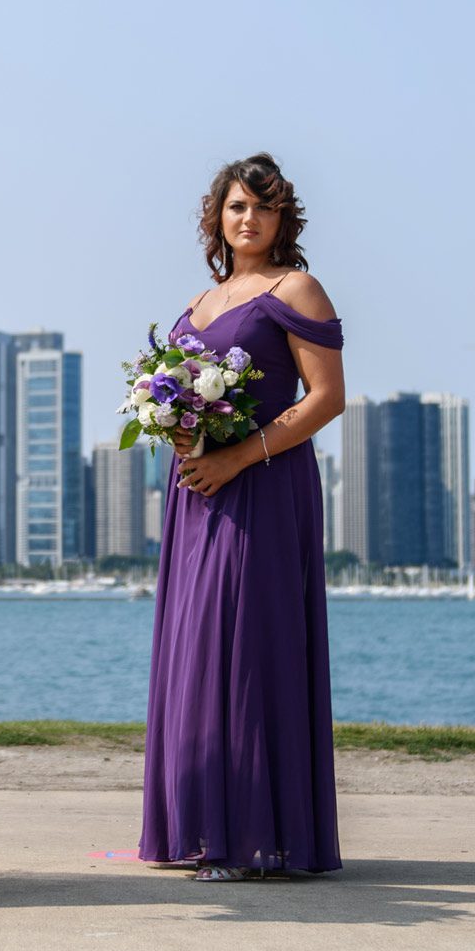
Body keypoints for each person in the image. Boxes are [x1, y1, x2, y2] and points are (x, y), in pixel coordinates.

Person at [140, 153, 346, 882]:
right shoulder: (200, 302)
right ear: (216, 218)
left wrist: (239, 457)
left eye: (262, 206)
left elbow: (325, 398)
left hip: (262, 483)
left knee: (250, 649)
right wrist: (176, 433)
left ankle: (258, 833)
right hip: (196, 490)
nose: (248, 218)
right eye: (236, 207)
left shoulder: (299, 289)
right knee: (196, 650)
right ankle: (201, 822)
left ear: (282, 217)